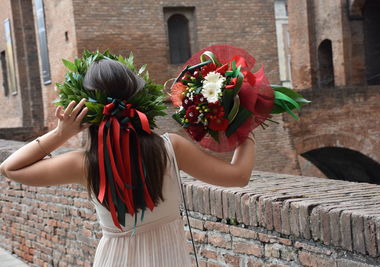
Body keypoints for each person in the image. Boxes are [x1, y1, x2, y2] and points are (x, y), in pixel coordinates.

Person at [0, 59, 256, 266]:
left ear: (87, 108)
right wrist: (246, 124)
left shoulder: (84, 164)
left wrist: (61, 134)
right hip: (169, 259)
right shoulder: (171, 147)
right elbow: (238, 176)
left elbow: (10, 168)